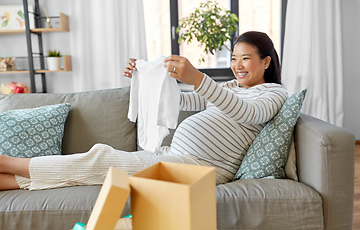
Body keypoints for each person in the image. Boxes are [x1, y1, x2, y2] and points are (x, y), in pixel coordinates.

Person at [0, 31, 288, 191]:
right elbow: (183, 103)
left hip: (203, 169)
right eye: (234, 58)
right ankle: (9, 182)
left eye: (245, 59)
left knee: (100, 158)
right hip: (175, 158)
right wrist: (146, 79)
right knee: (92, 170)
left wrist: (199, 78)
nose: (237, 65)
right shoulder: (231, 89)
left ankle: (8, 163)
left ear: (265, 62)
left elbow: (248, 114)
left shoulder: (274, 93)